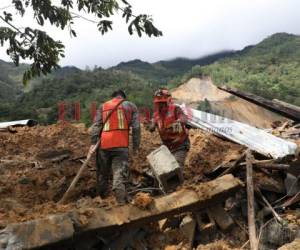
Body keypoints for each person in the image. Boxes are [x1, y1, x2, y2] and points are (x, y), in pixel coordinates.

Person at [89, 90, 140, 204]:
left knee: (103, 174)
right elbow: (136, 128)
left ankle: (102, 200)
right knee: (119, 174)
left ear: (112, 97)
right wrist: (136, 147)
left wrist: (93, 143)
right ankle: (121, 203)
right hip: (121, 146)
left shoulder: (103, 106)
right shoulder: (130, 106)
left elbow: (96, 125)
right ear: (123, 97)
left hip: (104, 145)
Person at [149, 88, 190, 168]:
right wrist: (151, 126)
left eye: (161, 103)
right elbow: (151, 127)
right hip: (167, 147)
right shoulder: (156, 115)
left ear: (166, 102)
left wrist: (179, 121)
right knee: (161, 168)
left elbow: (184, 118)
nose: (160, 105)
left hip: (180, 145)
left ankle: (178, 179)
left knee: (176, 167)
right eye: (158, 103)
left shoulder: (175, 109)